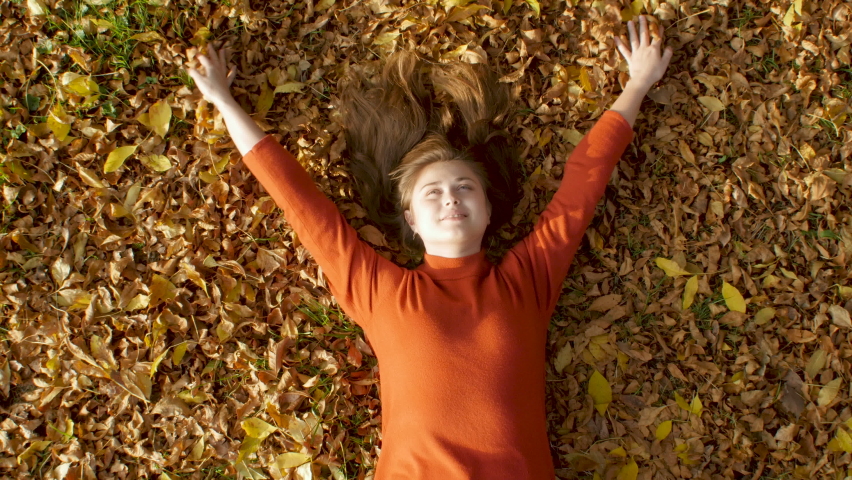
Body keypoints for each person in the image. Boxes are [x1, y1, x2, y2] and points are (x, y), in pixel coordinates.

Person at [187, 14, 673, 480]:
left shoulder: (528, 280)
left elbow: (582, 187)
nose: (451, 198)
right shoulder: (380, 292)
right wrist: (223, 100)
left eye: (464, 187)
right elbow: (302, 206)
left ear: (488, 210)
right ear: (411, 220)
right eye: (432, 193)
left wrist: (638, 83)